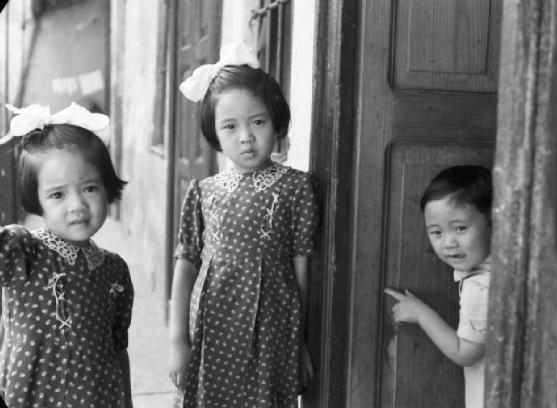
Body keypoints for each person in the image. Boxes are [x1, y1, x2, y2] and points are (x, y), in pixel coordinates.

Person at [168, 43, 319, 408]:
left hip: (273, 329)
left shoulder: (296, 186)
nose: (246, 136)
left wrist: (299, 339)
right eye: (230, 126)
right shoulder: (203, 192)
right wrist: (178, 340)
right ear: (215, 133)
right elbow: (186, 263)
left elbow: (302, 264)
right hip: (213, 324)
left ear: (276, 122)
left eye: (258, 122)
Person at [0, 103, 133, 408]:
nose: (77, 205)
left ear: (107, 188)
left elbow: (118, 347)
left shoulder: (115, 270)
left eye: (89, 188)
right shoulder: (23, 251)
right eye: (58, 194)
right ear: (37, 200)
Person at [385, 165, 492, 408]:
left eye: (460, 228)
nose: (448, 243)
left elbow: (465, 353)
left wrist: (422, 314)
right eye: (436, 232)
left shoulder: (480, 288)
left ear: (493, 221)